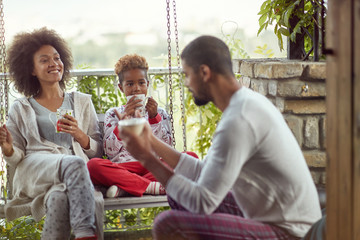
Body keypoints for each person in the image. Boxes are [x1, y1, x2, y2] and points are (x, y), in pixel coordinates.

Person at [117, 36, 322, 239]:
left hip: (291, 233)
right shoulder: (244, 104)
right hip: (269, 217)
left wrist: (147, 159)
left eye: (187, 75)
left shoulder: (238, 119)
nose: (187, 83)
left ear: (204, 73)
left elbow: (202, 202)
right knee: (178, 194)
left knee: (168, 224)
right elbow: (202, 171)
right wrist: (150, 140)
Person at [0, 27, 103, 240]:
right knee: (75, 163)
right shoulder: (21, 107)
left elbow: (97, 151)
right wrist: (8, 148)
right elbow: (16, 157)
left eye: (57, 58)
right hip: (35, 168)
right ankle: (86, 233)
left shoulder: (82, 101)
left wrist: (79, 135)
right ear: (31, 70)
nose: (54, 63)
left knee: (58, 198)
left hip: (71, 175)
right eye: (45, 60)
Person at [87, 54, 172, 198]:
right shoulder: (113, 114)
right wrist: (123, 124)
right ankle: (149, 186)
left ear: (147, 84)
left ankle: (126, 187)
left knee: (190, 157)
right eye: (130, 84)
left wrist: (154, 118)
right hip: (124, 168)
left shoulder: (159, 113)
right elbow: (109, 151)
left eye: (141, 83)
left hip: (153, 166)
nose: (136, 89)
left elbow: (167, 148)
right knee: (92, 166)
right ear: (121, 88)